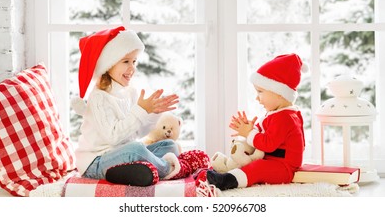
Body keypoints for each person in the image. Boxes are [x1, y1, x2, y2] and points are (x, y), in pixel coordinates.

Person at [72, 26, 209, 186]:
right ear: (108, 65)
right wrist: (140, 111)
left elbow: (136, 132)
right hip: (96, 161)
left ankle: (140, 171)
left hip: (122, 154)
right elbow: (114, 137)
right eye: (126, 62)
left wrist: (153, 113)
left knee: (169, 145)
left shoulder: (129, 92)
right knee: (136, 149)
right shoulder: (99, 98)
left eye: (134, 61)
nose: (132, 68)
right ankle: (169, 169)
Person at [196, 53, 306, 192]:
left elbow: (269, 144)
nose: (257, 98)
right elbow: (264, 132)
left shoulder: (285, 118)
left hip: (284, 167)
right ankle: (227, 170)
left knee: (258, 168)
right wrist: (249, 128)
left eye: (260, 92)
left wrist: (249, 133)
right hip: (272, 160)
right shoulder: (278, 114)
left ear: (279, 92)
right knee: (248, 161)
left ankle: (228, 180)